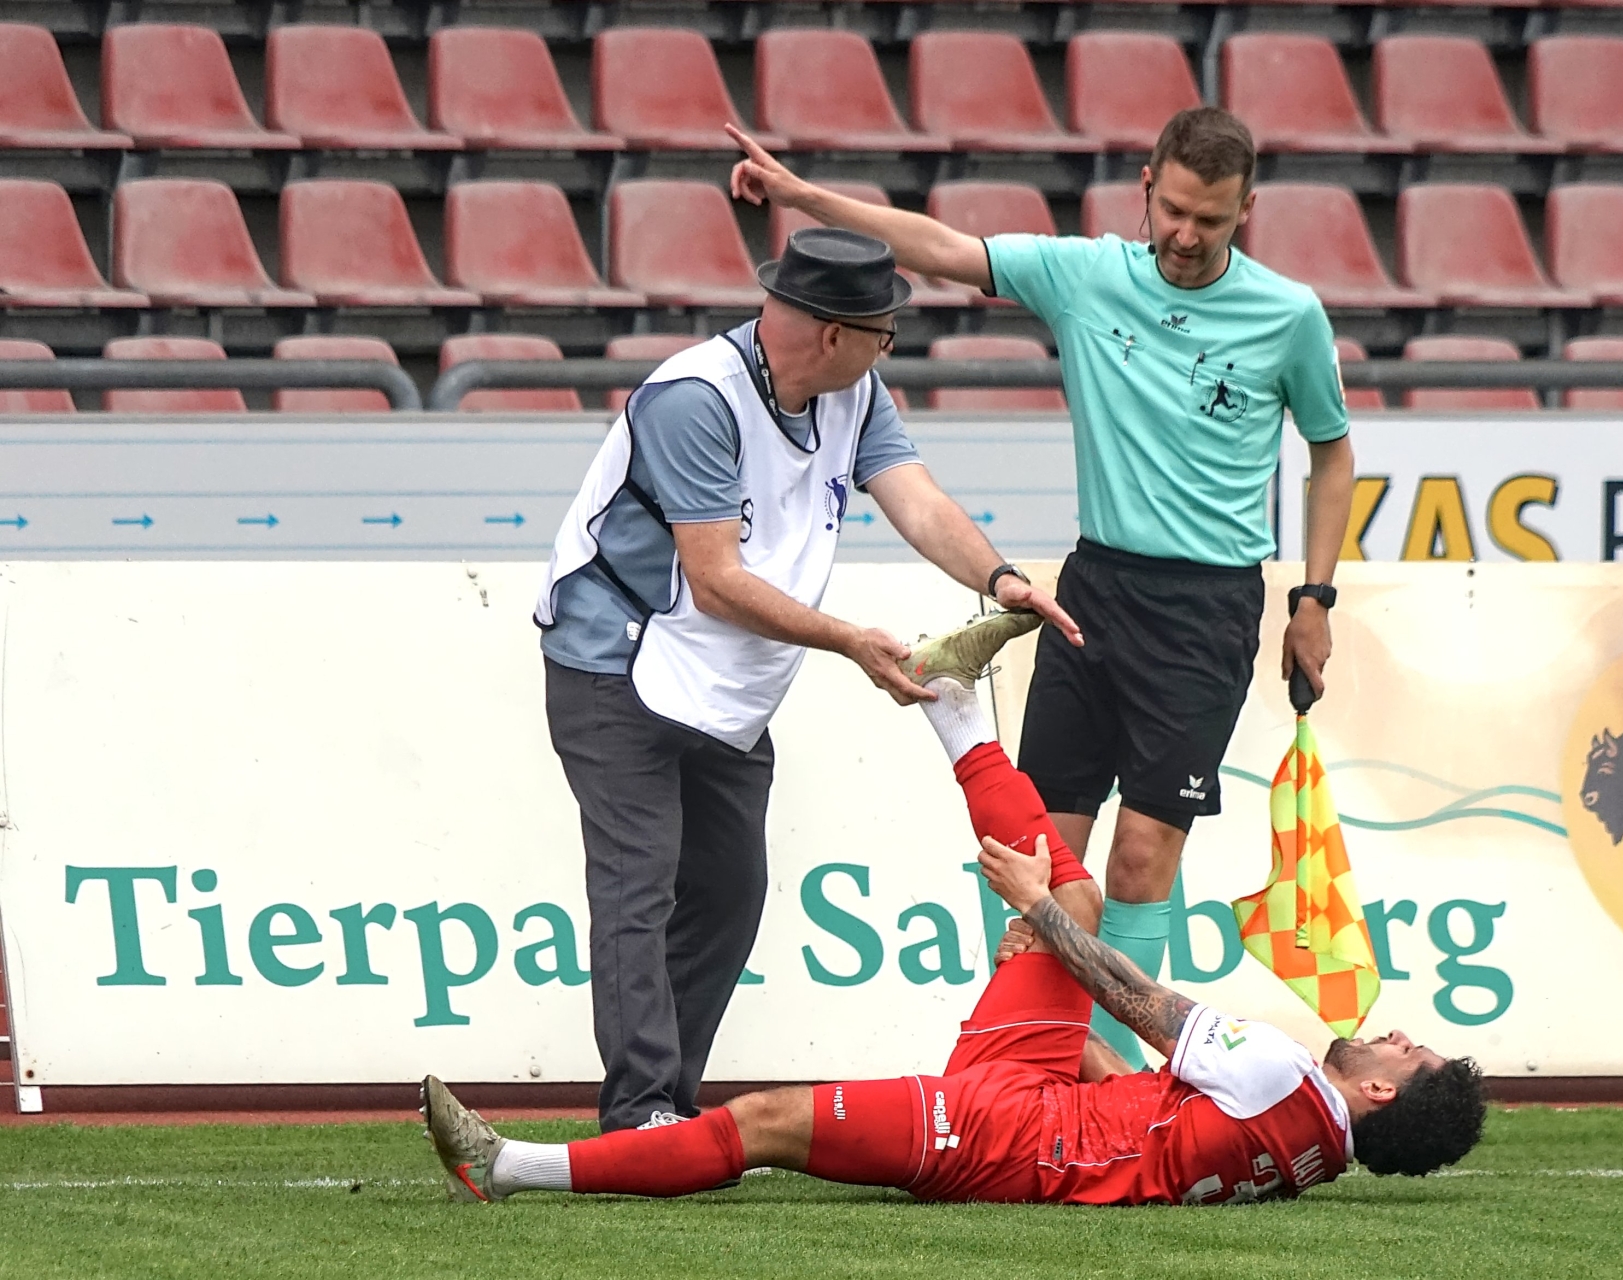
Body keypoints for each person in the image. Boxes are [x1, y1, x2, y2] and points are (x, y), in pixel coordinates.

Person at [426, 625, 1484, 1205]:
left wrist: (1044, 932)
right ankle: (950, 701)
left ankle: (512, 1164)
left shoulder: (1286, 1072)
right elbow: (1156, 1111)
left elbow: (1137, 995)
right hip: (1051, 1102)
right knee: (1076, 893)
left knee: (766, 1123)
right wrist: (1059, 1000)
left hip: (1008, 1138)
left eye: (1410, 1049)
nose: (1395, 1029)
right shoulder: (1312, 1152)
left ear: (1384, 1089)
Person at [727, 108, 1359, 1068]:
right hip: (1094, 591)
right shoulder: (1086, 276)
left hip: (1209, 611)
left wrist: (1316, 597)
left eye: (1215, 222)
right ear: (1146, 184)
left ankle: (1118, 1075)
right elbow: (940, 248)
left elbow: (1332, 449)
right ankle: (1037, 1062)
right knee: (1037, 851)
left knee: (1143, 860)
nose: (1188, 238)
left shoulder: (1289, 316)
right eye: (1176, 211)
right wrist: (804, 195)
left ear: (1248, 212)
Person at [536, 227, 1080, 1133]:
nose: (888, 348)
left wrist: (999, 580)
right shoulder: (692, 399)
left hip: (729, 687)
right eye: (885, 331)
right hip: (615, 663)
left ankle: (668, 1102)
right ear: (836, 333)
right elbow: (713, 580)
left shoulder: (853, 391)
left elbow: (917, 498)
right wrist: (850, 643)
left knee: (730, 890)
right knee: (640, 883)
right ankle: (639, 1116)